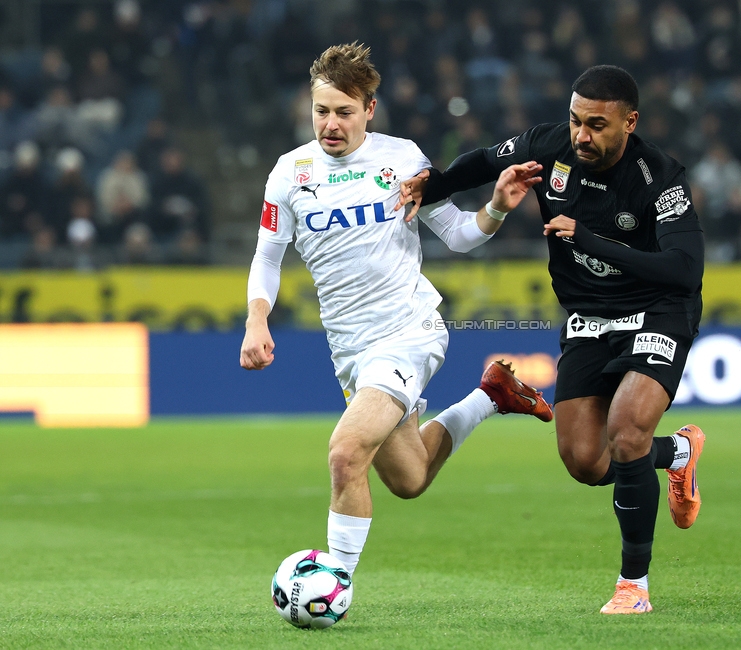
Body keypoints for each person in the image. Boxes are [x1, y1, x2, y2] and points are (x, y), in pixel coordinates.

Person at [396, 64, 706, 615]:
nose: (581, 136)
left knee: (627, 431)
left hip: (657, 311)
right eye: (574, 120)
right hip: (588, 315)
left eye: (596, 125)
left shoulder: (660, 179)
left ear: (629, 122)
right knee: (585, 460)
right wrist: (433, 184)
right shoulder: (550, 145)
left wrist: (588, 239)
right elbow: (484, 161)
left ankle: (633, 587)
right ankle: (677, 452)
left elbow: (683, 269)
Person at [239, 43, 552, 581]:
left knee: (345, 452)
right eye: (321, 111)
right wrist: (257, 318)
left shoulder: (402, 158)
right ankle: (490, 396)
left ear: (369, 109)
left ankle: (332, 585)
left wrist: (497, 205)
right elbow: (268, 255)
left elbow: (455, 234)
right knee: (409, 478)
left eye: (343, 111)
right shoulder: (290, 173)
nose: (330, 123)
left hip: (410, 330)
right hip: (351, 350)